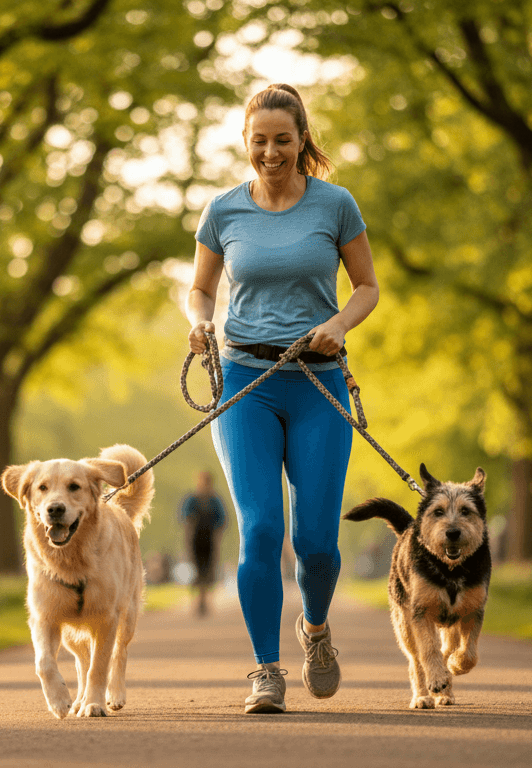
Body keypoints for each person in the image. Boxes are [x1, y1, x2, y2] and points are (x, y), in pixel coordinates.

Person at [186, 83, 380, 714]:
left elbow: (367, 287)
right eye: (259, 141)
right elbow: (200, 290)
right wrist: (198, 322)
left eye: (283, 140)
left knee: (318, 541)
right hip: (247, 383)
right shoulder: (222, 210)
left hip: (319, 380)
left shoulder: (336, 205)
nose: (271, 153)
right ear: (246, 143)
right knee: (263, 526)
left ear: (302, 142)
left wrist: (339, 325)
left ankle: (316, 631)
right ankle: (265, 669)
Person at [179, 470, 228, 617]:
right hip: (195, 539)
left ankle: (204, 599)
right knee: (197, 570)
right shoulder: (192, 499)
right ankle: (199, 600)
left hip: (210, 539)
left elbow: (222, 520)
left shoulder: (215, 501)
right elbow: (185, 518)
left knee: (209, 570)